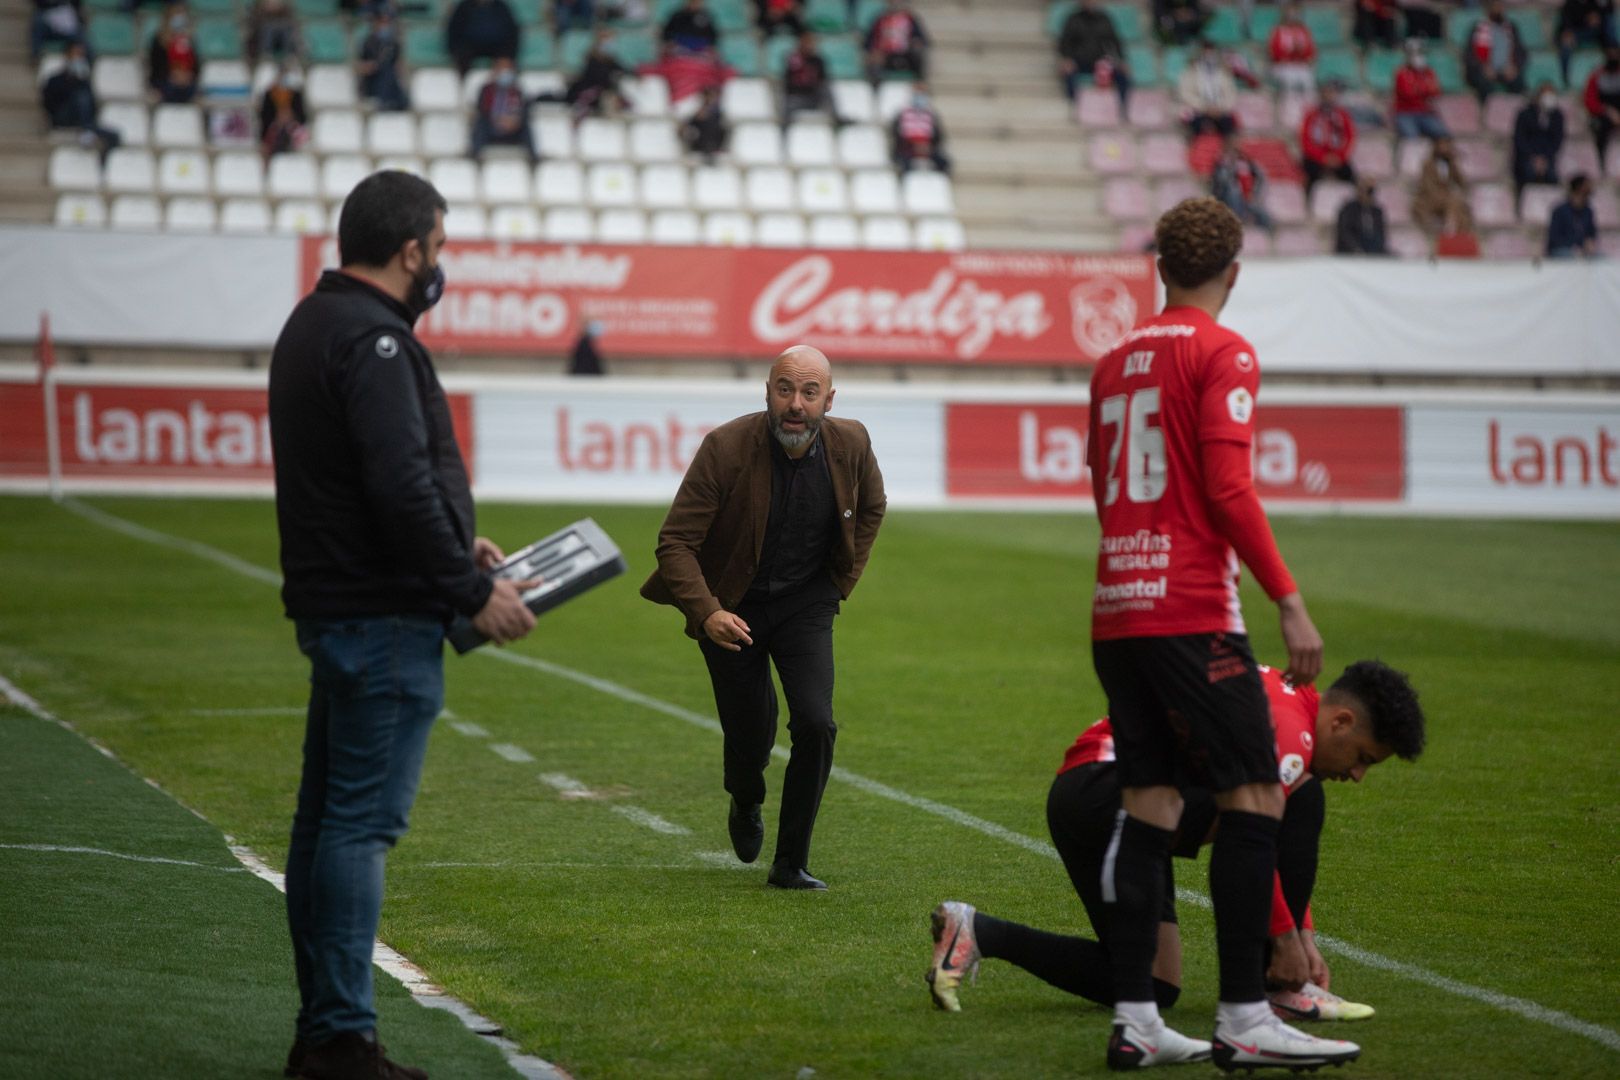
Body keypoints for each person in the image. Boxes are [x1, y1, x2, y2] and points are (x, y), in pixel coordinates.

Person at [1070, 196, 1356, 1072]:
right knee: (1257, 796)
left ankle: (1137, 1020)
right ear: (1234, 273)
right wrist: (1289, 597)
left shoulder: (1114, 359)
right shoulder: (1223, 350)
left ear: (1159, 268)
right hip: (1194, 611)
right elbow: (1231, 491)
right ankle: (1243, 1016)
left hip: (1117, 607)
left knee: (1150, 804)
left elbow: (1100, 480)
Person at [269, 169, 539, 1080]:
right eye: (438, 246)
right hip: (381, 619)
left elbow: (377, 485)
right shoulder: (378, 341)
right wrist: (469, 593)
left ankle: (323, 1036)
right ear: (411, 248)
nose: (441, 264)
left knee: (322, 826)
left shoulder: (315, 322)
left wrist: (455, 548)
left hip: (342, 608)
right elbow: (394, 483)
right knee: (355, 829)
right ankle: (343, 1041)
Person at [926, 660, 1426, 1025]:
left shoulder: (1292, 710)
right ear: (1340, 722)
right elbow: (1249, 835)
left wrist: (1302, 934)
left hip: (1095, 794)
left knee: (1156, 984)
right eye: (1364, 758)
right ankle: (1271, 987)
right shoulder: (1293, 737)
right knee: (1294, 801)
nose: (1358, 775)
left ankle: (978, 932)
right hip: (1109, 789)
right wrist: (1287, 941)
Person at [640, 345, 886, 892]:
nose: (794, 404)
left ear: (829, 399)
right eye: (784, 389)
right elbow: (675, 543)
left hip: (806, 604)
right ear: (767, 392)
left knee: (817, 724)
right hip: (731, 606)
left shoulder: (853, 443)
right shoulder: (725, 448)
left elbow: (872, 507)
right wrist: (708, 614)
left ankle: (790, 862)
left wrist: (841, 582)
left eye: (808, 392)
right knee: (752, 737)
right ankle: (746, 797)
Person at [41, 42, 121, 163]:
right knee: (80, 98)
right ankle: (87, 131)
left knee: (114, 135)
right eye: (76, 54)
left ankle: (102, 163)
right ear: (67, 56)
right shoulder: (54, 80)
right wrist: (71, 82)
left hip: (84, 121)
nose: (79, 58)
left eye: (81, 55)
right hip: (62, 118)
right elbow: (49, 104)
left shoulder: (85, 82)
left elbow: (93, 107)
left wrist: (81, 81)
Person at [1057, 0, 1132, 117]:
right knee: (1069, 73)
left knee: (1123, 75)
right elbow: (1064, 42)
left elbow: (1115, 41)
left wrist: (1121, 60)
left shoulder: (1105, 19)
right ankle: (1075, 106)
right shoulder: (1073, 19)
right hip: (1079, 62)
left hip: (1100, 63)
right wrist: (1066, 59)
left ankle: (1123, 108)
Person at [470, 57, 538, 163]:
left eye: (508, 69)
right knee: (480, 123)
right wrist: (498, 120)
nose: (505, 73)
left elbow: (524, 111)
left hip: (513, 129)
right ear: (495, 71)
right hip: (492, 128)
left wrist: (514, 122)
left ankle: (533, 159)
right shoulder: (486, 89)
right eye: (502, 69)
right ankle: (475, 156)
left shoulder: (517, 91)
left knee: (526, 125)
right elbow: (482, 109)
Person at [1464, 0, 1527, 105]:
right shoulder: (1478, 28)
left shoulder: (1511, 28)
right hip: (1484, 70)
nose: (1498, 8)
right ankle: (1487, 116)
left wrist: (1514, 67)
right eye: (1495, 6)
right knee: (1484, 84)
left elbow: (1522, 53)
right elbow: (1469, 56)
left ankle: (1512, 113)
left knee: (1519, 83)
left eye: (1500, 6)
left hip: (1506, 69)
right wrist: (1483, 67)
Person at [1513, 84, 1565, 209]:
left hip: (1547, 159)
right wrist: (1533, 158)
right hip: (1526, 157)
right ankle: (1525, 207)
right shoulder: (1525, 114)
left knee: (1552, 177)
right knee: (1528, 174)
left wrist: (1544, 159)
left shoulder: (1557, 116)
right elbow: (1519, 140)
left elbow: (1557, 141)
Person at [1300, 81, 1356, 197]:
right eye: (1326, 93)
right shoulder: (1312, 115)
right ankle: (1308, 201)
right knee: (1309, 173)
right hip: (1316, 157)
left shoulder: (1342, 115)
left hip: (1337, 157)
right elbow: (1305, 140)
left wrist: (1339, 157)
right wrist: (1322, 157)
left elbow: (1349, 138)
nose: (1328, 96)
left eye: (1331, 93)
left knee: (1351, 176)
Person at [1413, 135, 1474, 236]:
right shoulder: (1428, 164)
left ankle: (1457, 233)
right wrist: (1443, 195)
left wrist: (1455, 162)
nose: (1445, 148)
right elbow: (1428, 186)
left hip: (1447, 198)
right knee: (1453, 201)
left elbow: (1461, 182)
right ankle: (1450, 229)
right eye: (1442, 145)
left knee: (1460, 208)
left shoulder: (1451, 164)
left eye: (1447, 145)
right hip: (1431, 198)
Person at [1211, 134, 1273, 232]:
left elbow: (1259, 177)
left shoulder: (1247, 162)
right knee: (1234, 191)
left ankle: (1268, 236)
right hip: (1227, 198)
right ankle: (1237, 222)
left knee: (1264, 213)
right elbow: (1221, 182)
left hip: (1248, 197)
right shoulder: (1222, 163)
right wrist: (1229, 164)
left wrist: (1253, 192)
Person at [565, 30, 634, 117]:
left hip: (604, 93)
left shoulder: (611, 60)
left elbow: (624, 70)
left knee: (627, 103)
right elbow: (596, 79)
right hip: (590, 91)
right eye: (607, 42)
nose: (610, 45)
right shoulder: (592, 60)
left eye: (612, 42)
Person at [1179, 38, 1238, 137]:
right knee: (1198, 124)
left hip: (1220, 111)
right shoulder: (1191, 72)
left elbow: (1231, 94)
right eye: (1206, 52)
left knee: (1228, 124)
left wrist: (1220, 108)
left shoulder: (1224, 72)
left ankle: (1225, 150)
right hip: (1199, 110)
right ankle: (1200, 149)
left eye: (1211, 52)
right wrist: (1205, 108)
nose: (1209, 55)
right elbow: (1185, 93)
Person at [446, 0, 520, 79]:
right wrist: (454, 49)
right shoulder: (464, 6)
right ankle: (463, 86)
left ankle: (497, 86)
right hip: (469, 47)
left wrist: (509, 53)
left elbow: (512, 32)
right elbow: (454, 30)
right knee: (461, 57)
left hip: (497, 47)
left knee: (505, 58)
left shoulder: (501, 7)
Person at [1393, 39, 1449, 141]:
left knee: (1443, 134)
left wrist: (1420, 90)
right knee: (1411, 138)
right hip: (1406, 113)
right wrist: (1425, 90)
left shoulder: (1429, 72)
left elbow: (1436, 92)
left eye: (1420, 52)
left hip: (1425, 113)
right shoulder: (1402, 73)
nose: (1417, 56)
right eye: (1413, 53)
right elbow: (1407, 93)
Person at [782, 31, 841, 126]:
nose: (809, 45)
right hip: (797, 97)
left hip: (813, 97)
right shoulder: (793, 58)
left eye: (811, 43)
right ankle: (785, 131)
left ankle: (837, 120)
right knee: (788, 104)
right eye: (807, 42)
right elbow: (789, 82)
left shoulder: (818, 60)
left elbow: (823, 80)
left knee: (826, 89)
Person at [890, 83, 950, 174]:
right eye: (917, 94)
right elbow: (896, 134)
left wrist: (928, 146)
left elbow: (938, 136)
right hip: (907, 148)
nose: (920, 97)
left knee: (944, 163)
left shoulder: (931, 115)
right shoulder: (902, 114)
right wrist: (914, 146)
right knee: (904, 165)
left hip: (927, 148)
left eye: (922, 94)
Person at [357, 9, 410, 112]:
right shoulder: (368, 43)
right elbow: (360, 67)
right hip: (373, 81)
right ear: (376, 23)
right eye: (383, 22)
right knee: (385, 69)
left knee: (389, 71)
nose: (385, 26)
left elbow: (398, 66)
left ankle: (392, 101)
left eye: (387, 22)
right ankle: (389, 101)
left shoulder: (394, 43)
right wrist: (373, 66)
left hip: (390, 82)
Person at [864, 0, 929, 84]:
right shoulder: (880, 19)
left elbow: (922, 39)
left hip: (906, 54)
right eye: (892, 2)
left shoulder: (910, 19)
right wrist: (873, 51)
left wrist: (916, 43)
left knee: (918, 54)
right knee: (875, 61)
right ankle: (876, 87)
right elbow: (868, 41)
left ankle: (919, 82)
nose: (895, 4)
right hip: (885, 55)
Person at [147, 3, 199, 104]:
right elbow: (155, 67)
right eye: (177, 14)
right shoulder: (158, 40)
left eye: (182, 15)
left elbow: (196, 66)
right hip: (164, 84)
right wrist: (173, 76)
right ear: (168, 17)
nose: (180, 18)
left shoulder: (189, 40)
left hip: (187, 85)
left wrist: (187, 76)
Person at [1558, 0, 1618, 86]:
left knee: (1608, 32)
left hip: (1592, 33)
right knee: (1566, 45)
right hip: (1574, 33)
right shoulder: (1570, 4)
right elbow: (1566, 24)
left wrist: (1595, 19)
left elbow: (1605, 15)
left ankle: (1613, 68)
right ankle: (1565, 78)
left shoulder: (1593, 3)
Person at [259, 64, 308, 162]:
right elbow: (264, 118)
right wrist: (277, 121)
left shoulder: (296, 95)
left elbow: (303, 118)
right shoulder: (269, 95)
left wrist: (291, 117)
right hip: (273, 132)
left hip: (293, 128)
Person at [1269, 1, 1317, 101]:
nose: (1292, 16)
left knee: (1308, 79)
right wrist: (1290, 51)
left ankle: (1308, 108)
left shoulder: (1303, 30)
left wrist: (1302, 52)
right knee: (1289, 79)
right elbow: (1274, 52)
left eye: (1295, 12)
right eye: (1290, 12)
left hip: (1300, 64)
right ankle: (1289, 109)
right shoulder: (1279, 30)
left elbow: (1311, 51)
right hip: (1284, 65)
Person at [1547, 173, 1600, 255]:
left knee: (1603, 259)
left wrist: (1590, 243)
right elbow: (1554, 238)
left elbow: (1592, 234)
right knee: (1570, 256)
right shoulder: (1559, 211)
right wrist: (1572, 246)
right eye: (1587, 185)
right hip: (1562, 250)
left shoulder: (1588, 211)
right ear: (1579, 188)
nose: (1590, 188)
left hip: (1583, 251)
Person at [1586, 46, 1620, 172]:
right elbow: (1590, 101)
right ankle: (1601, 164)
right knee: (1600, 128)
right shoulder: (1597, 76)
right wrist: (1606, 111)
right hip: (1603, 114)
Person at [1335, 178, 1389, 253]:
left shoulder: (1377, 211)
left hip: (1372, 249)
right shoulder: (1348, 209)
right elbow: (1344, 233)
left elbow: (1381, 234)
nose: (1367, 194)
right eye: (1365, 190)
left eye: (1370, 191)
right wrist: (1356, 248)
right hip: (1351, 250)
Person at [246, 0, 303, 68]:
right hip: (261, 39)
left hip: (281, 39)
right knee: (269, 29)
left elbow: (292, 23)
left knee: (286, 30)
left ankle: (289, 56)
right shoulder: (257, 9)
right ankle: (266, 55)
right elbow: (253, 25)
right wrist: (266, 10)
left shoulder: (286, 10)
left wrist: (279, 11)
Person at [683, 83, 727, 162]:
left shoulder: (718, 112)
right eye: (709, 96)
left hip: (715, 141)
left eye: (713, 96)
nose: (711, 99)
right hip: (700, 142)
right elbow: (689, 125)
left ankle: (712, 149)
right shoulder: (697, 111)